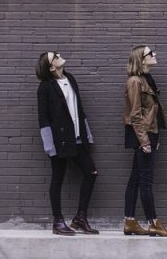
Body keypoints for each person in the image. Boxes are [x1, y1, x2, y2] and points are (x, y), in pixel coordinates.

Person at [36, 51, 99, 236]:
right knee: (57, 179)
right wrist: (50, 147)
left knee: (91, 173)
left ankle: (80, 218)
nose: (59, 55)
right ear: (51, 67)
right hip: (59, 141)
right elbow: (43, 119)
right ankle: (58, 222)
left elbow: (79, 108)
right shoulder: (45, 87)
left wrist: (87, 134)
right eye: (55, 56)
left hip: (78, 138)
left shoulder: (70, 78)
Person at [122, 44, 167, 237]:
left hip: (147, 133)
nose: (155, 54)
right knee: (146, 181)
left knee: (136, 179)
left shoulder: (146, 78)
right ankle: (153, 222)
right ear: (141, 59)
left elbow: (151, 112)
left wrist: (154, 136)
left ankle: (129, 221)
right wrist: (145, 141)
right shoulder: (135, 82)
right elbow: (135, 114)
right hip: (141, 134)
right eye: (150, 53)